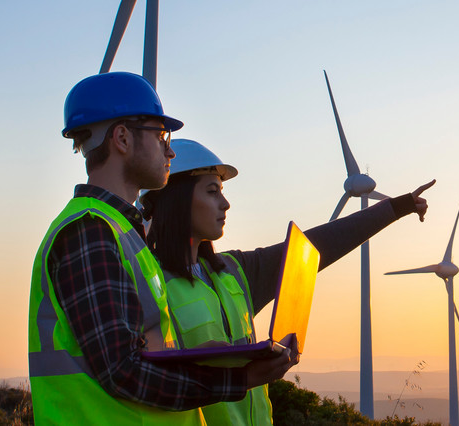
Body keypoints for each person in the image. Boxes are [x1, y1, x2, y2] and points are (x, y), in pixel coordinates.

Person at [27, 72, 295, 425]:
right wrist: (239, 379)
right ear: (122, 138)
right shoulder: (89, 231)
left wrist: (204, 356)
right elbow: (123, 371)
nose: (170, 150)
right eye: (160, 136)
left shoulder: (120, 231)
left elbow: (139, 352)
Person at [139, 139, 434, 426]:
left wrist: (396, 207)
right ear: (177, 200)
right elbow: (150, 381)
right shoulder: (146, 284)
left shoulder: (235, 271)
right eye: (212, 192)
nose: (225, 204)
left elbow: (317, 246)